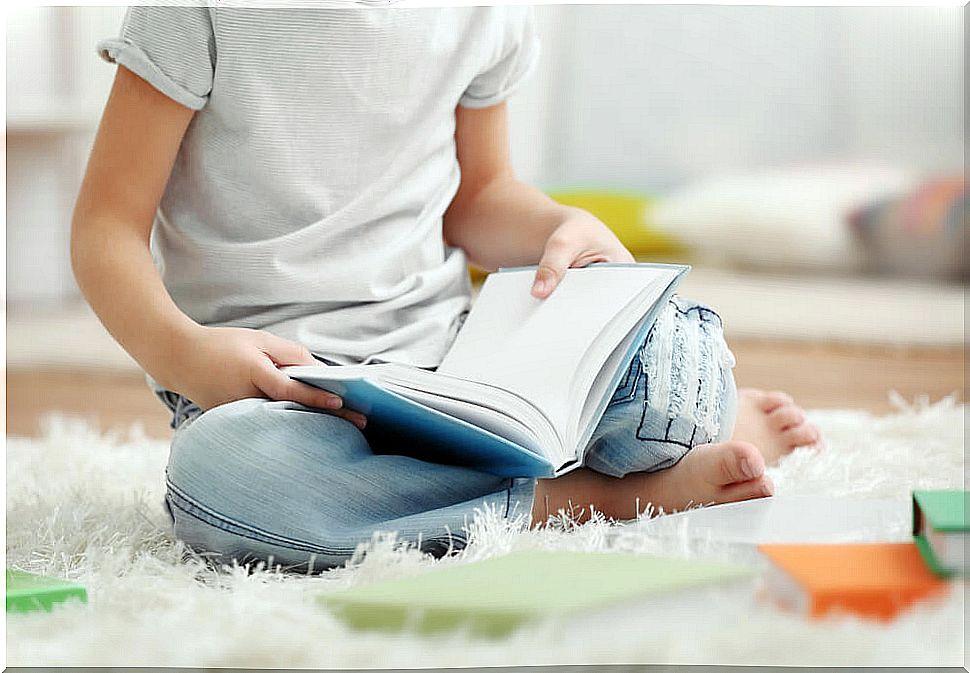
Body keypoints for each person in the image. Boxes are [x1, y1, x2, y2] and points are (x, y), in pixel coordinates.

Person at [71, 6, 821, 571]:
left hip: (464, 365)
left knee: (676, 374)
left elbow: (481, 198)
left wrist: (565, 226)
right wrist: (187, 353)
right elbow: (106, 228)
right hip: (279, 397)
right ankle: (588, 497)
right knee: (223, 478)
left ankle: (573, 455)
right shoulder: (196, 12)